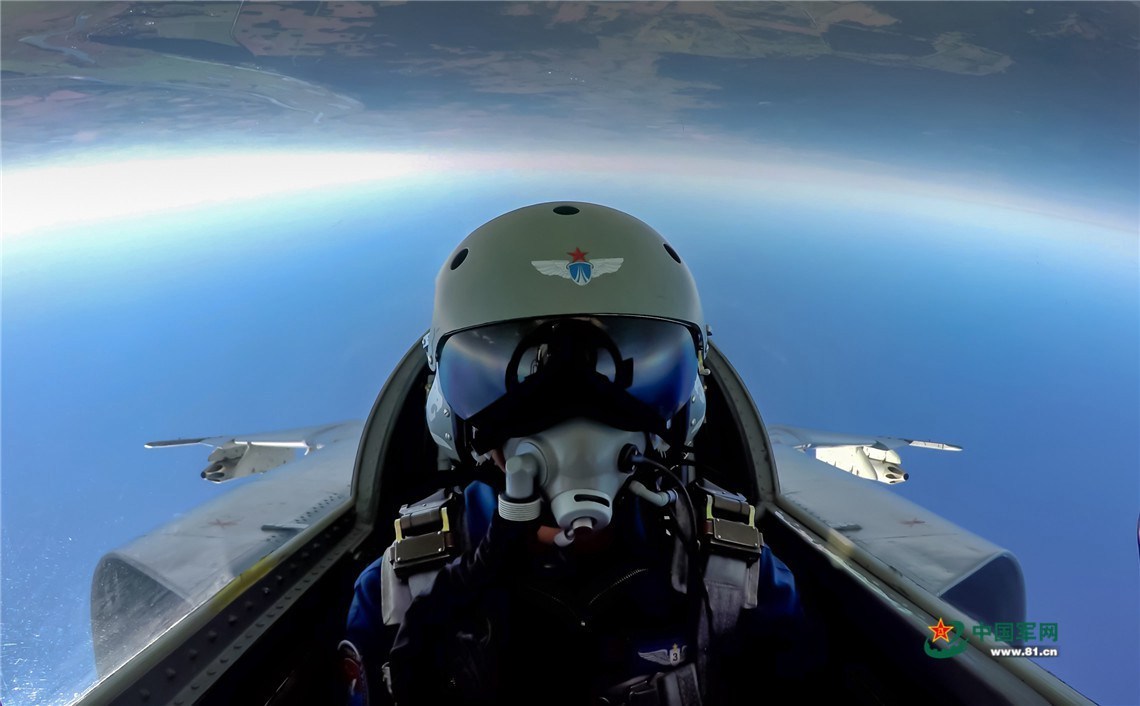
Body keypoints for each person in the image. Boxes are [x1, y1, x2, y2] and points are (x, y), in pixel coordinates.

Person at [342, 202, 811, 705]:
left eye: (624, 375)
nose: (574, 419)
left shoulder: (742, 582)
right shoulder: (400, 594)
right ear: (453, 415)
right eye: (521, 382)